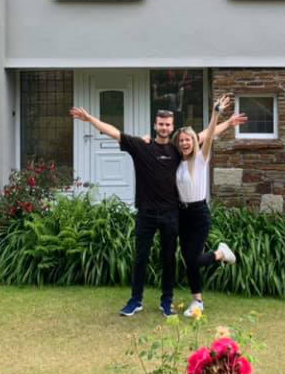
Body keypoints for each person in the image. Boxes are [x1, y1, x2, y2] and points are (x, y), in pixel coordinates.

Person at [69, 102, 244, 317]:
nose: (163, 127)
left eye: (167, 124)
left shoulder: (178, 149)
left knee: (168, 258)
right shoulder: (142, 146)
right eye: (160, 124)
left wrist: (227, 122)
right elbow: (114, 132)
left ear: (172, 127)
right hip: (146, 213)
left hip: (171, 214)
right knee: (141, 257)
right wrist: (90, 119)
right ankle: (135, 300)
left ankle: (166, 301)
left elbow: (206, 135)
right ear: (155, 125)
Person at [175, 95, 237, 318]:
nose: (184, 143)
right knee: (189, 261)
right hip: (182, 215)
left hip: (199, 213)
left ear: (194, 141)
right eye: (181, 140)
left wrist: (216, 114)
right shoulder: (176, 163)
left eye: (188, 139)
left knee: (194, 259)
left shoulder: (200, 159)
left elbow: (208, 135)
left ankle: (221, 253)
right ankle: (197, 302)